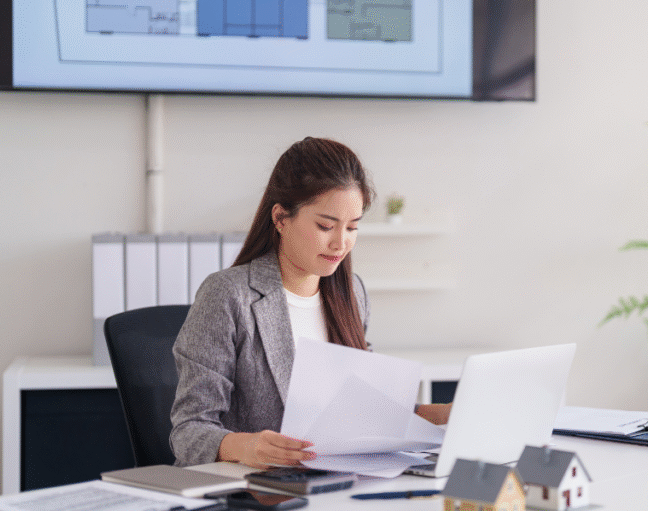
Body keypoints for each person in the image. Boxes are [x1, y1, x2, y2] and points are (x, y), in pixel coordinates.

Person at [170, 136, 451, 468]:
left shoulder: (352, 293)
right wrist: (248, 447)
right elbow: (188, 431)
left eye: (352, 227)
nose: (340, 243)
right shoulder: (229, 295)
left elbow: (364, 411)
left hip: (336, 482)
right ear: (280, 218)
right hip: (254, 488)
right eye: (325, 226)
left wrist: (446, 415)